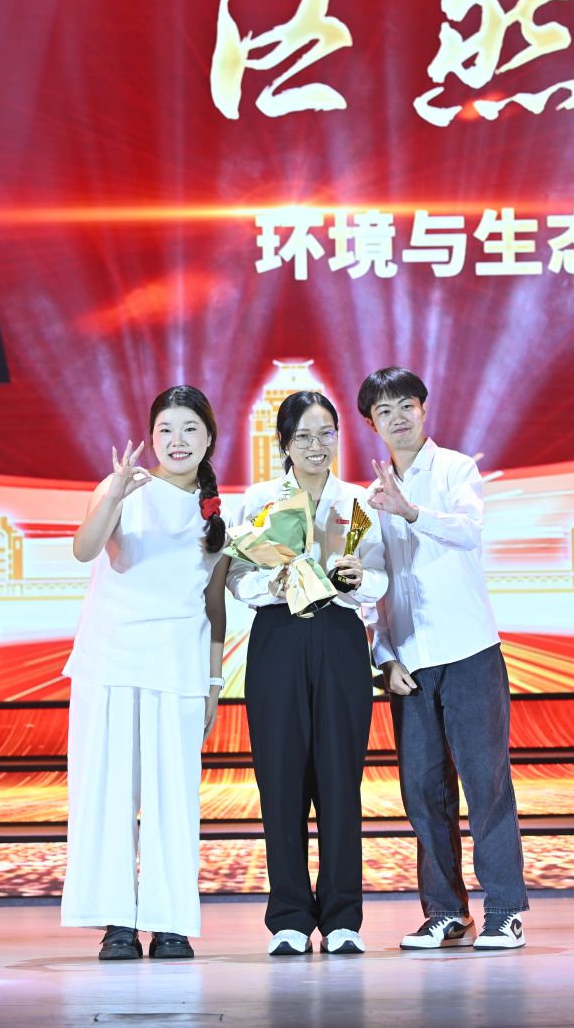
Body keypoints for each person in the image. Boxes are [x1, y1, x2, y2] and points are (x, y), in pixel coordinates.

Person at [359, 366, 528, 951]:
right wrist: (384, 656)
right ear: (371, 424)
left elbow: (468, 531)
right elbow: (376, 583)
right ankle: (446, 912)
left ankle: (504, 909)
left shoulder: (456, 469)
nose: (397, 418)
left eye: (405, 406)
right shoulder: (370, 497)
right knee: (423, 793)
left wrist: (410, 511)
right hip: (410, 661)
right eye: (384, 411)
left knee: (487, 784)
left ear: (423, 409)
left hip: (469, 650)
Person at [62, 384, 230, 961]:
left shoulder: (219, 513)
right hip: (109, 662)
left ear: (208, 437)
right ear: (151, 437)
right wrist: (114, 495)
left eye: (189, 429)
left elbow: (214, 607)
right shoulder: (122, 487)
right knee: (108, 794)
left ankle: (170, 922)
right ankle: (116, 923)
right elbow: (84, 550)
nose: (177, 441)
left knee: (173, 800)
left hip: (179, 667)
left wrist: (214, 684)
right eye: (165, 430)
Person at [230, 389, 387, 956]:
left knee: (341, 780)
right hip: (278, 637)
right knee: (280, 780)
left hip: (340, 637)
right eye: (303, 436)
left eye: (326, 434)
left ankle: (344, 917)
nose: (317, 446)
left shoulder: (359, 502)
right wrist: (271, 582)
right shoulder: (260, 500)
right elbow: (236, 579)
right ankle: (290, 917)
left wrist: (359, 579)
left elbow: (382, 579)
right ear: (284, 443)